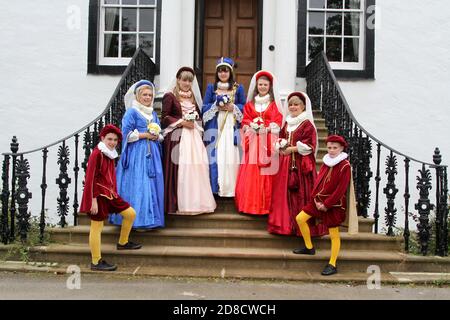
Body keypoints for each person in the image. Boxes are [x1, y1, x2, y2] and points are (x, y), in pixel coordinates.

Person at [79, 124, 142, 272]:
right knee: (97, 227)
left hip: (111, 194)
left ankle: (123, 242)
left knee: (130, 213)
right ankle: (96, 261)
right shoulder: (97, 153)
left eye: (115, 140)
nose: (112, 142)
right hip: (99, 195)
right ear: (102, 138)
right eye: (109, 139)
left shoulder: (110, 153)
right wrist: (93, 200)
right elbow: (90, 178)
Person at [109, 80, 164, 230]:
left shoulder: (153, 113)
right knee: (139, 184)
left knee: (151, 184)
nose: (147, 97)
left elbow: (161, 134)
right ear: (138, 96)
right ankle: (136, 219)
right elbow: (125, 134)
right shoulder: (132, 112)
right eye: (144, 95)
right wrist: (144, 134)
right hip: (137, 154)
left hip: (152, 153)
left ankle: (150, 219)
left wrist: (156, 135)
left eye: (150, 95)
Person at [269, 92, 326, 237]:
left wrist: (291, 149)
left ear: (303, 106)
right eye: (290, 105)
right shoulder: (287, 123)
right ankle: (285, 225)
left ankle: (301, 229)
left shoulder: (307, 124)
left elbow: (310, 145)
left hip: (301, 166)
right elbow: (280, 138)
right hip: (285, 164)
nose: (293, 107)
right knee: (283, 195)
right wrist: (280, 147)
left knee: (300, 195)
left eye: (296, 104)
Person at [293, 135, 352, 276]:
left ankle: (332, 263)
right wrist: (316, 199)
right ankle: (309, 247)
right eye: (329, 147)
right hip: (318, 201)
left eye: (335, 148)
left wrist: (327, 204)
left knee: (333, 233)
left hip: (334, 205)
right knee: (300, 219)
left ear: (341, 148)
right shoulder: (327, 162)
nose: (331, 150)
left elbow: (340, 190)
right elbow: (319, 181)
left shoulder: (345, 166)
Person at [161, 66, 217, 215]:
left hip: (193, 136)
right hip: (178, 137)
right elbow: (165, 117)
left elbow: (198, 116)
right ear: (178, 80)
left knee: (197, 166)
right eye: (184, 80)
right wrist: (181, 122)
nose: (186, 83)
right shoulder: (170, 96)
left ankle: (197, 202)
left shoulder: (193, 97)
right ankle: (181, 202)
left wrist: (195, 121)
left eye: (189, 81)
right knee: (183, 167)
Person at [234, 70, 283, 215]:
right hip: (254, 142)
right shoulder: (249, 105)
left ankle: (265, 205)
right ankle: (250, 205)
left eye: (265, 85)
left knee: (267, 173)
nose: (262, 87)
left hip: (267, 140)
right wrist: (252, 127)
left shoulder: (274, 105)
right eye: (260, 84)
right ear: (257, 86)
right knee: (252, 174)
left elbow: (277, 121)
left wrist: (266, 128)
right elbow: (245, 120)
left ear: (270, 86)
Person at [202, 57, 246, 197]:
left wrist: (233, 107)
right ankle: (217, 187)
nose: (223, 74)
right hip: (216, 123)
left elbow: (244, 107)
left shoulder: (238, 88)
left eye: (225, 71)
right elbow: (204, 107)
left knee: (231, 154)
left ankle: (232, 188)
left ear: (230, 72)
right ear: (217, 73)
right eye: (220, 71)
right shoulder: (211, 88)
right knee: (218, 154)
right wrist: (216, 105)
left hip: (231, 125)